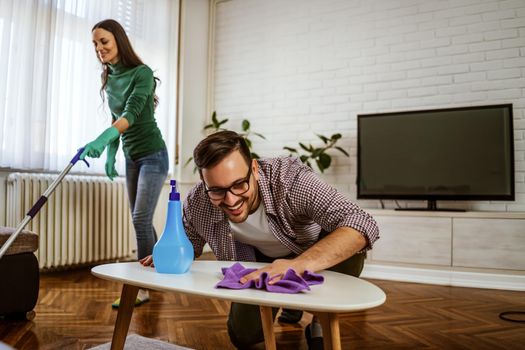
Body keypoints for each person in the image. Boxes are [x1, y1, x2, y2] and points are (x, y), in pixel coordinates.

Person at [140, 130, 379, 350]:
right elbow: (189, 243)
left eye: (239, 185)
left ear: (254, 168)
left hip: (308, 253)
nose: (231, 200)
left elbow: (361, 222)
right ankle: (288, 302)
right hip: (257, 263)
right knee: (243, 336)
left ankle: (318, 320)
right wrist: (167, 252)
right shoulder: (198, 202)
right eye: (217, 190)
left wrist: (296, 266)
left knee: (352, 252)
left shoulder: (291, 182)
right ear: (205, 183)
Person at [81, 19, 168, 308]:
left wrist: (104, 138)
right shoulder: (108, 77)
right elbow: (116, 118)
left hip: (154, 155)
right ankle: (159, 265)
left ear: (119, 40)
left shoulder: (141, 73)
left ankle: (141, 287)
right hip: (131, 157)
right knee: (141, 220)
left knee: (140, 219)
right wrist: (111, 152)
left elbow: (130, 113)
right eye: (95, 43)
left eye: (103, 41)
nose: (99, 48)